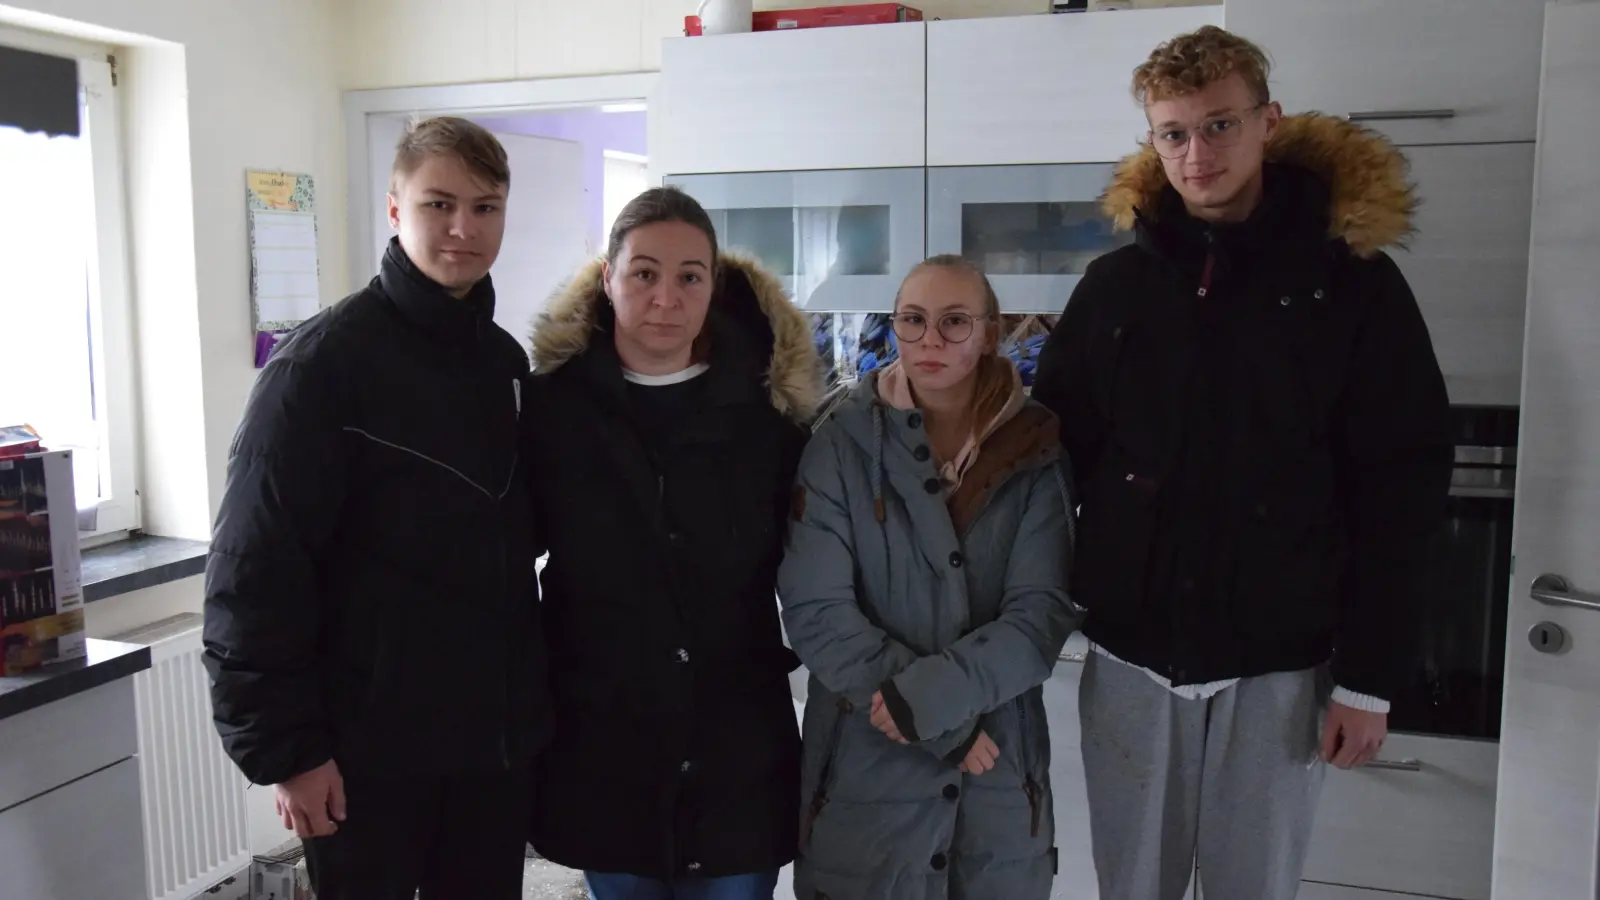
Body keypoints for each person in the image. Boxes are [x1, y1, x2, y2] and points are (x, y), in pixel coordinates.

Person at [1031, 26, 1453, 900]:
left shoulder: (1355, 287)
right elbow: (1050, 465)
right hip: (1131, 654)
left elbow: (1400, 491)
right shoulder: (1113, 288)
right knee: (1129, 888)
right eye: (1174, 133)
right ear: (1153, 142)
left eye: (1220, 125)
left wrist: (1371, 681)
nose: (1198, 153)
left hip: (1283, 662)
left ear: (1269, 121)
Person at [202, 116, 549, 900]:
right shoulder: (321, 367)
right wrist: (289, 750)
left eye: (486, 207)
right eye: (439, 204)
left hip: (489, 754)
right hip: (364, 758)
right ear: (395, 211)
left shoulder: (503, 364)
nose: (464, 228)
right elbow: (254, 574)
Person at [522, 186, 821, 900]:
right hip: (606, 744)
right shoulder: (549, 411)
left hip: (736, 750)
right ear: (608, 279)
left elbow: (816, 573)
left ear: (713, 286)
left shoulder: (769, 419)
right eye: (644, 272)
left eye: (689, 275)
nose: (666, 296)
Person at [778, 255, 1080, 900]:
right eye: (913, 321)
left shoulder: (1035, 449)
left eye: (953, 322)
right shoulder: (840, 444)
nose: (930, 341)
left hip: (999, 778)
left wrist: (936, 697)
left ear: (991, 332)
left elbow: (1040, 615)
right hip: (865, 771)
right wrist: (935, 717)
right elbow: (815, 611)